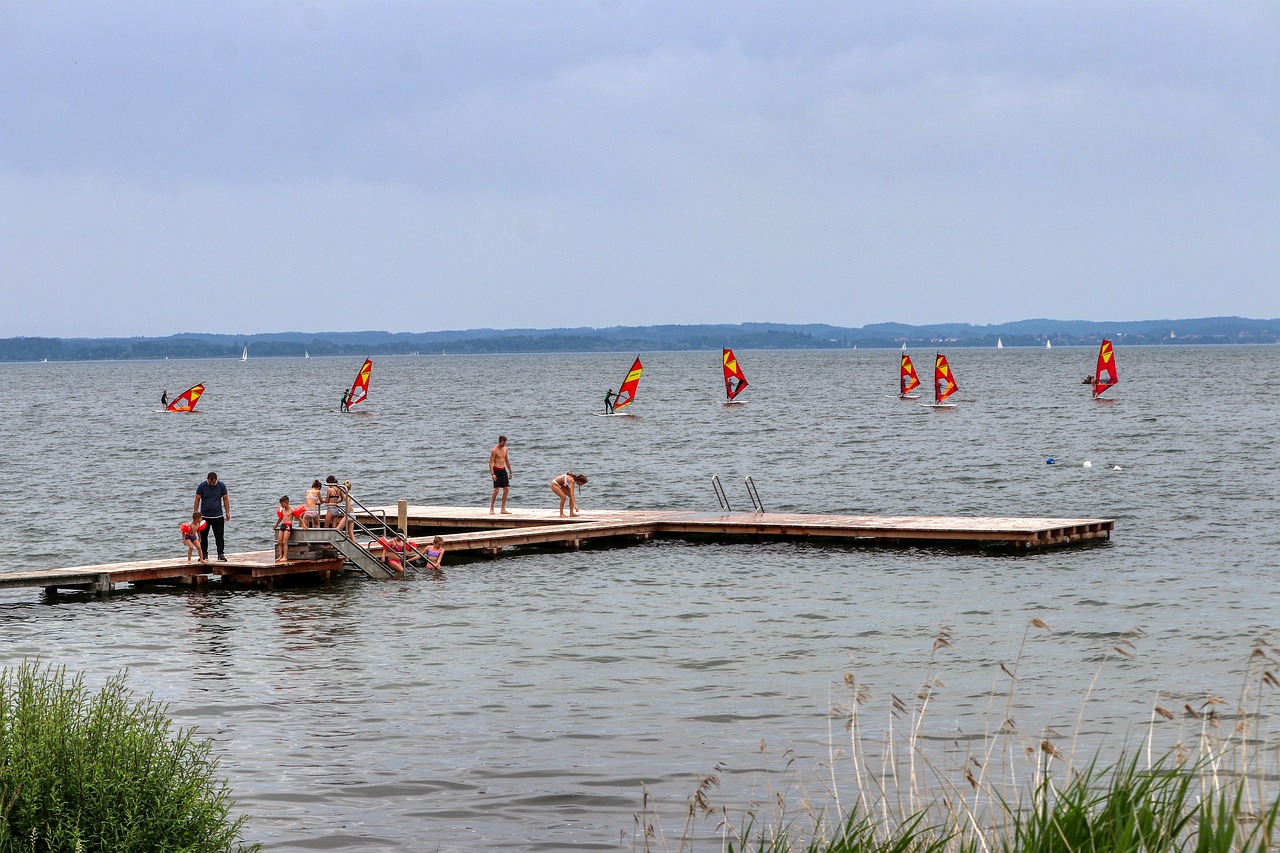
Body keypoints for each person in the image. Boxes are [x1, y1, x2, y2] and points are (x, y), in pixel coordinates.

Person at [194, 472, 230, 562]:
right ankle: (204, 555)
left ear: (216, 480)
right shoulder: (202, 486)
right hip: (204, 517)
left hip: (218, 516)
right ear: (208, 479)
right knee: (203, 537)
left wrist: (227, 512)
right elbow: (197, 499)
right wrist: (195, 513)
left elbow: (225, 499)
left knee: (219, 536)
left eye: (213, 482)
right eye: (210, 482)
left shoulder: (221, 486)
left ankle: (220, 554)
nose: (212, 484)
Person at [489, 435, 513, 514]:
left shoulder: (505, 449)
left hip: (503, 470)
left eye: (505, 443)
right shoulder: (494, 450)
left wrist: (510, 471)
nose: (504, 444)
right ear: (499, 442)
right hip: (496, 470)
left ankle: (503, 509)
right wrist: (492, 474)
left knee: (506, 489)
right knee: (496, 490)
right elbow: (491, 463)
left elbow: (507, 461)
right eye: (503, 443)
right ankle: (491, 508)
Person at [274, 496, 294, 563]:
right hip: (282, 525)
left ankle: (285, 556)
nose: (281, 505)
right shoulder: (282, 510)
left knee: (284, 542)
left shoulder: (291, 510)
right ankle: (280, 555)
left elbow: (299, 517)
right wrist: (276, 525)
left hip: (288, 525)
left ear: (286, 502)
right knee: (279, 542)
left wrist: (304, 525)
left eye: (282, 504)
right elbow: (280, 518)